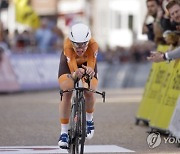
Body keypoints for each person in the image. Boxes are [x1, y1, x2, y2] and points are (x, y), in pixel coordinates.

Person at [58, 23, 98, 148]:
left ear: (88, 41)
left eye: (83, 45)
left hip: (87, 64)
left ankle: (89, 119)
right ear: (71, 41)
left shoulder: (93, 45)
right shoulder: (67, 45)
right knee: (67, 91)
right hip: (70, 65)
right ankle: (64, 132)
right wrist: (76, 73)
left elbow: (91, 63)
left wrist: (89, 71)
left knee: (89, 91)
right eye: (76, 44)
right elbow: (72, 66)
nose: (80, 49)